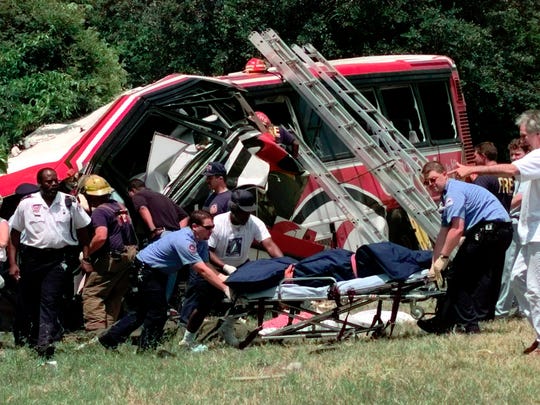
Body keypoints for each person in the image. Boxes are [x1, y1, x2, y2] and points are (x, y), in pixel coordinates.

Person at [452, 110, 540, 353]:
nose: (522, 140)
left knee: (533, 287)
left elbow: (510, 170)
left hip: (538, 234)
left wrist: (471, 170)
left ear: (537, 134)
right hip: (529, 232)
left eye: (525, 135)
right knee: (518, 280)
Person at [96, 210, 229, 351]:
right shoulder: (184, 240)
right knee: (158, 312)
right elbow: (201, 270)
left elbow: (206, 264)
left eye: (213, 227)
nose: (211, 231)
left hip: (157, 272)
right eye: (208, 227)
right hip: (146, 269)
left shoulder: (201, 241)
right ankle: (147, 349)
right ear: (195, 226)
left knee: (141, 312)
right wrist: (225, 289)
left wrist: (225, 278)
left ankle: (108, 340)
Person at [416, 161, 512, 335]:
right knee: (474, 277)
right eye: (427, 182)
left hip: (491, 229)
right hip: (498, 230)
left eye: (433, 179)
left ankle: (468, 325)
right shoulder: (448, 196)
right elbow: (443, 234)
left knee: (457, 275)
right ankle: (445, 321)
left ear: (445, 174)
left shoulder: (454, 192)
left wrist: (444, 258)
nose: (431, 185)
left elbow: (457, 229)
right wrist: (434, 265)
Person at [179, 189, 283, 347]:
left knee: (243, 302)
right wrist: (224, 267)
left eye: (250, 212)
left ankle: (226, 329)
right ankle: (187, 340)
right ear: (234, 209)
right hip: (215, 268)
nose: (247, 216)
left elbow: (269, 245)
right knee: (204, 306)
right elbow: (208, 251)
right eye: (244, 212)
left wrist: (285, 263)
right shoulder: (218, 223)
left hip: (240, 267)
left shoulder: (254, 222)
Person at [8, 167, 91, 358]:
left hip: (58, 259)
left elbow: (84, 229)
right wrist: (13, 263)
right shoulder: (27, 204)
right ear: (40, 183)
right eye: (48, 181)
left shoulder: (69, 202)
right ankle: (28, 336)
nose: (53, 184)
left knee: (49, 297)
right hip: (32, 258)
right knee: (29, 300)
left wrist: (86, 257)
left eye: (55, 180)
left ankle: (44, 343)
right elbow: (15, 234)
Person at [79, 175, 138, 332]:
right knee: (114, 295)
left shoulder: (100, 212)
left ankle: (95, 333)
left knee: (92, 294)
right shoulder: (118, 205)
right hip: (128, 255)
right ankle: (110, 333)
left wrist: (86, 253)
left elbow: (101, 236)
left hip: (112, 258)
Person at [127, 178, 189, 302]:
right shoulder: (162, 197)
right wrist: (177, 234)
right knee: (170, 274)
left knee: (152, 273)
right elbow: (185, 216)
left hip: (160, 236)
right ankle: (164, 304)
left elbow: (143, 209)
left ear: (132, 190)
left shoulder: (138, 196)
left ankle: (152, 306)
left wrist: (152, 229)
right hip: (174, 238)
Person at [495, 139, 531, 318]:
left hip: (519, 226)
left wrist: (499, 210)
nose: (514, 158)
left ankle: (501, 311)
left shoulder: (526, 175)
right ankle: (521, 308)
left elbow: (520, 198)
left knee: (510, 269)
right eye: (512, 155)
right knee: (519, 272)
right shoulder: (518, 177)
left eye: (518, 154)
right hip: (518, 224)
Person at [472, 141, 514, 212]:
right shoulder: (508, 176)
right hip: (506, 217)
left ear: (483, 156)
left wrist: (476, 182)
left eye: (475, 156)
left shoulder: (483, 178)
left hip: (491, 219)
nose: (474, 160)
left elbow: (478, 201)